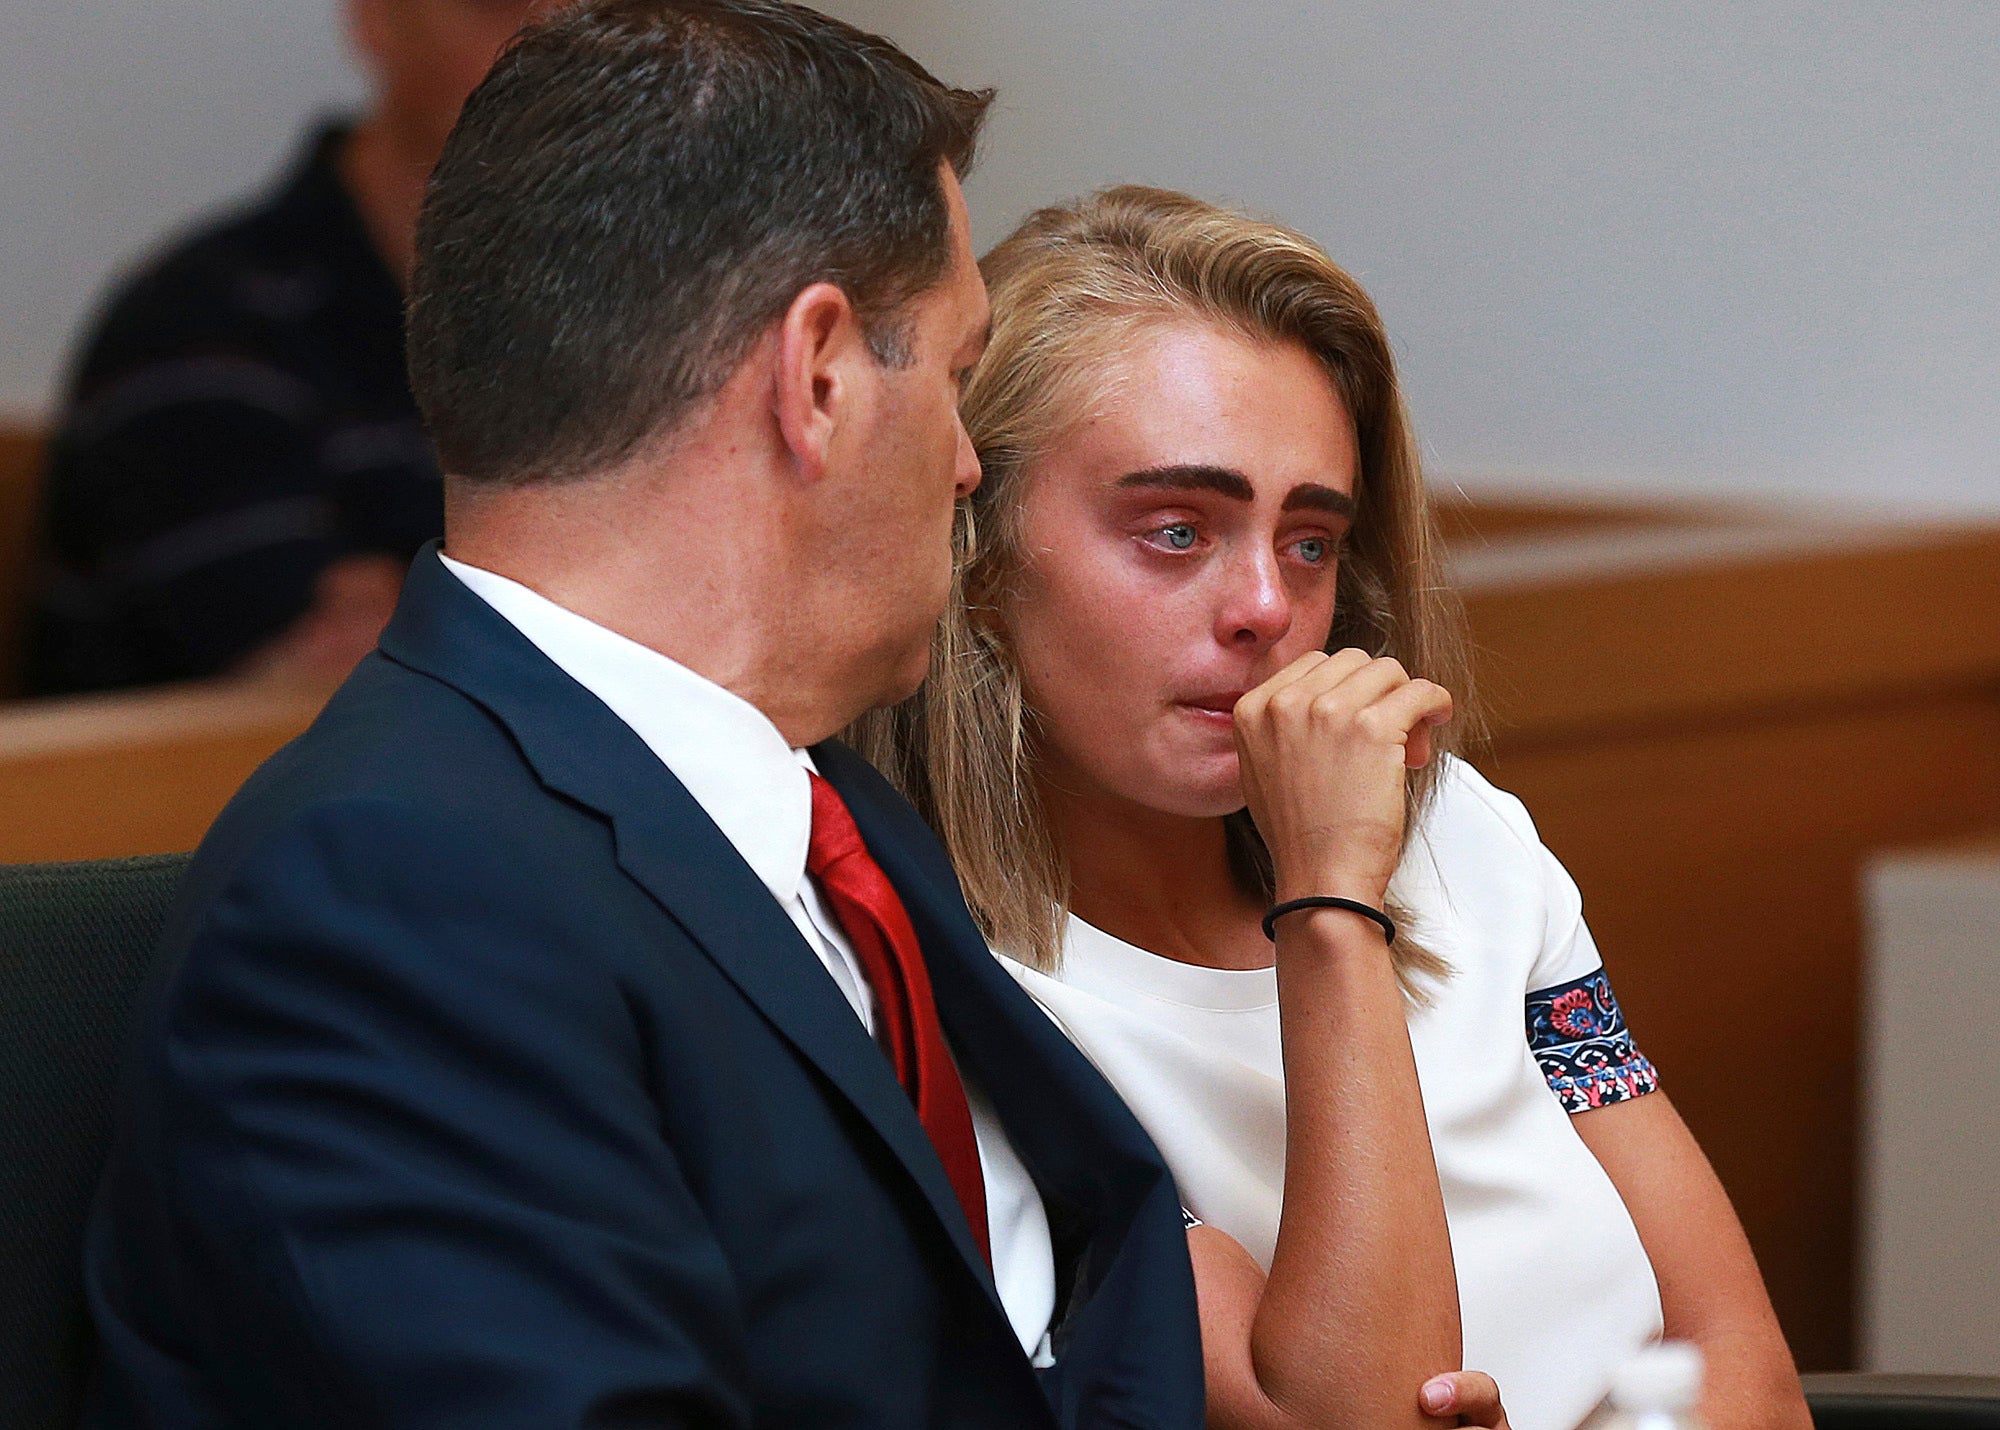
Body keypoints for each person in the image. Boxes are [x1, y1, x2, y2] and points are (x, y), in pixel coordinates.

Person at [81, 6, 1246, 1426]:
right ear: (816, 378)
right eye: (953, 375)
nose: (963, 464)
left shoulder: (828, 809)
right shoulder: (390, 899)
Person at [853, 187, 1812, 1430]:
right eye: (1175, 528)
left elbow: (1738, 1357)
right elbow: (1342, 1413)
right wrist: (1327, 902)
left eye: (1307, 541)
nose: (1262, 603)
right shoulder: (941, 987)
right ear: (977, 554)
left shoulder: (1458, 834)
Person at [24, 1, 548, 695]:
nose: (564, 43)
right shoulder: (197, 325)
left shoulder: (653, 312)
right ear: (377, 18)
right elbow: (338, 674)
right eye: (501, 7)